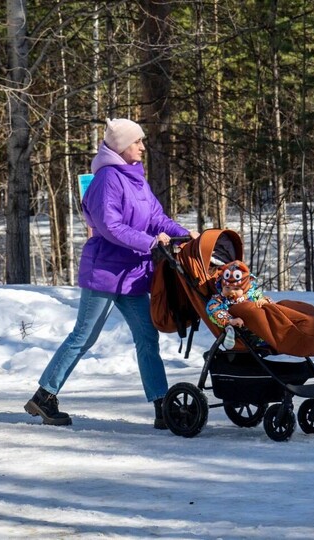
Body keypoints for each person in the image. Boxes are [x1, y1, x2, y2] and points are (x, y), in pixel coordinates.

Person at [25, 118, 198, 429]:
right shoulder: (107, 179)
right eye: (137, 142)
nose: (143, 147)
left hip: (132, 274)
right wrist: (150, 243)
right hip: (104, 272)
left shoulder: (136, 179)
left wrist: (188, 237)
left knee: (147, 336)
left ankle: (161, 405)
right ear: (120, 147)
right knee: (84, 337)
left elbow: (158, 218)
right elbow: (110, 226)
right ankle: (44, 396)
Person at [206, 260, 272, 349]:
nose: (231, 291)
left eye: (236, 288)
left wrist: (265, 301)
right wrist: (230, 320)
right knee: (221, 313)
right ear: (222, 286)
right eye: (227, 287)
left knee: (266, 312)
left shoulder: (253, 294)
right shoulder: (219, 298)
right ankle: (230, 332)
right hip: (243, 330)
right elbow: (213, 309)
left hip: (260, 328)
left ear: (244, 289)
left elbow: (267, 301)